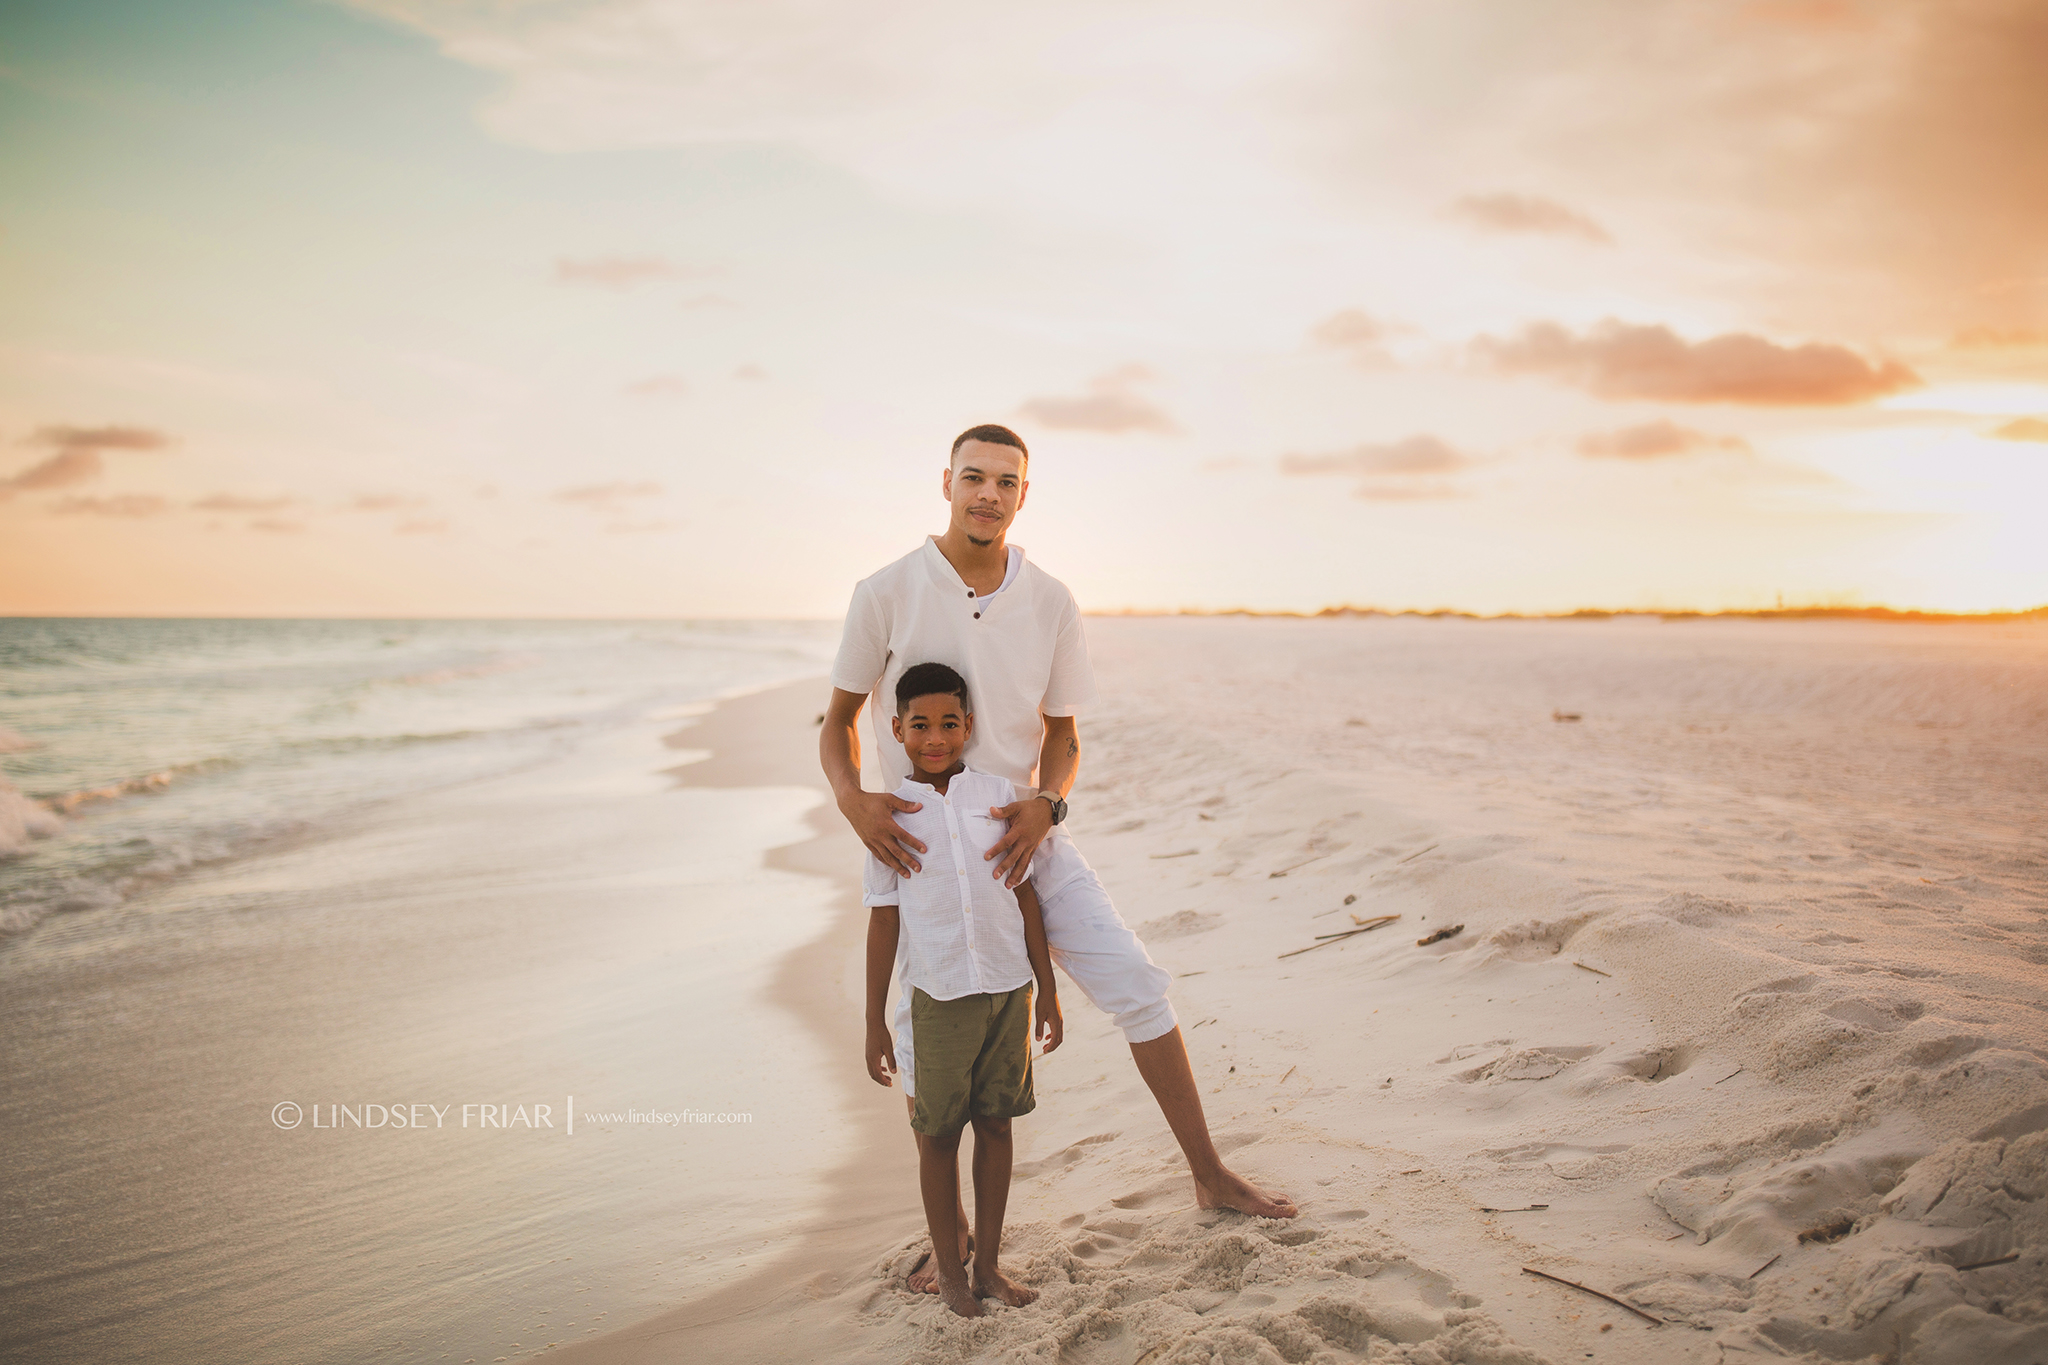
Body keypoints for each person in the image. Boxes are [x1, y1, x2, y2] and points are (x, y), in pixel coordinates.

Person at [823, 422, 1297, 1291]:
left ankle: (1209, 1171)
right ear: (946, 482)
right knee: (924, 1034)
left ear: (1023, 495)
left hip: (1027, 835)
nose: (988, 495)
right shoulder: (885, 590)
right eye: (974, 477)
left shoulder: (1050, 599)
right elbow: (838, 723)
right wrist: (855, 802)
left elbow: (1066, 736)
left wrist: (1049, 803)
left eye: (1006, 481)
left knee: (1136, 984)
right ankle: (953, 1234)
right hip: (923, 841)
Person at [862, 660, 1063, 1318]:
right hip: (939, 997)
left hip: (1009, 989)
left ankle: (988, 1267)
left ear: (969, 724)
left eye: (950, 722)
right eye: (920, 724)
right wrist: (874, 1022)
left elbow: (1026, 895)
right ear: (896, 729)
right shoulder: (890, 815)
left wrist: (1049, 988)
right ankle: (949, 1271)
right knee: (940, 1135)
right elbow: (883, 923)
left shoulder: (1000, 796)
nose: (936, 736)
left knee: (997, 1123)